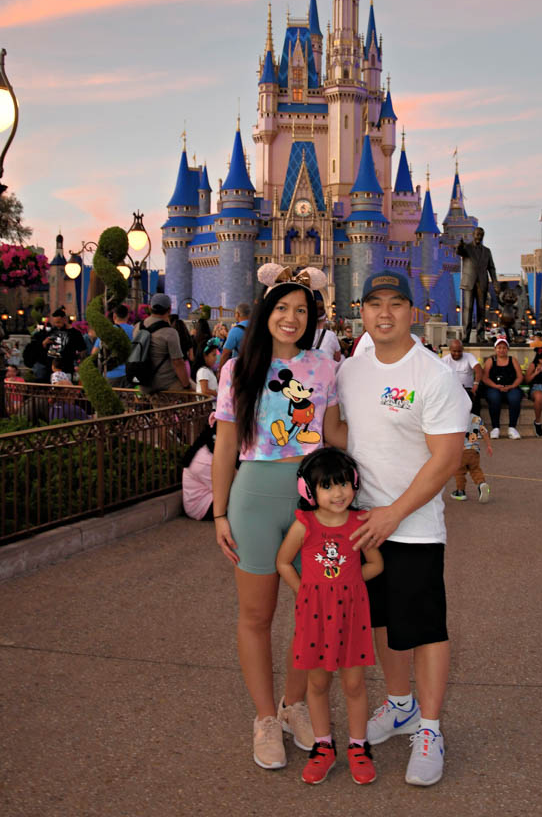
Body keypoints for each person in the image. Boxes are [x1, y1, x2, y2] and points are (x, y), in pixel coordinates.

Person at [335, 269, 471, 787]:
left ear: (413, 311)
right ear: (361, 311)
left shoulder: (432, 375)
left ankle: (431, 728)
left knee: (426, 628)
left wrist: (393, 512)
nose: (384, 313)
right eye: (374, 304)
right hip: (362, 524)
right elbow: (346, 431)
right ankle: (400, 706)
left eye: (395, 303)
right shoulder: (352, 370)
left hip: (412, 526)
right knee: (384, 622)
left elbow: (448, 459)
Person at [211, 264, 342, 770]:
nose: (291, 317)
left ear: (312, 318)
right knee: (257, 614)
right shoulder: (237, 370)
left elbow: (334, 433)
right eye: (283, 307)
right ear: (267, 311)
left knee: (315, 610)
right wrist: (220, 513)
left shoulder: (324, 368)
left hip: (311, 498)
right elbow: (225, 448)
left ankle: (294, 707)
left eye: (302, 310)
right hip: (255, 497)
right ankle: (265, 717)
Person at [276, 448, 383, 785]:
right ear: (310, 492)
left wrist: (348, 581)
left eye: (343, 484)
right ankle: (323, 747)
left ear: (353, 485)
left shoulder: (359, 523)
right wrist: (304, 589)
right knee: (318, 683)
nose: (338, 493)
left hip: (351, 615)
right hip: (315, 616)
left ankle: (357, 746)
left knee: (353, 683)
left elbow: (376, 564)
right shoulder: (303, 524)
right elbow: (283, 562)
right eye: (327, 486)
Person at [133, 294, 191, 395]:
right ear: (169, 310)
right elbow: (178, 362)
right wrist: (186, 385)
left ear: (150, 308)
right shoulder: (170, 333)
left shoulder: (138, 327)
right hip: (165, 383)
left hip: (143, 383)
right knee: (195, 392)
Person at [457, 227, 499, 343]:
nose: (479, 237)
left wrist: (495, 282)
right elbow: (459, 252)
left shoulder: (487, 251)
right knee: (468, 309)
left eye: (481, 235)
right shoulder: (467, 248)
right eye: (477, 234)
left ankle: (480, 336)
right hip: (469, 282)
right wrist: (460, 245)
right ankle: (466, 335)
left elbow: (491, 267)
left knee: (481, 310)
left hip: (482, 282)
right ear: (473, 235)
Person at [481, 337, 524, 439]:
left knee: (515, 398)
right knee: (494, 398)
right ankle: (495, 428)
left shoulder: (512, 360)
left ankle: (512, 428)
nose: (501, 350)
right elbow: (485, 377)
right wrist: (496, 386)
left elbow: (520, 376)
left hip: (511, 387)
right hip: (494, 387)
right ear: (495, 349)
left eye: (504, 348)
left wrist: (512, 386)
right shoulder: (490, 361)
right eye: (499, 347)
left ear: (507, 349)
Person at [450, 412, 492, 501]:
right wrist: (488, 445)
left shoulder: (455, 418)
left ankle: (460, 491)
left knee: (459, 471)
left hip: (460, 452)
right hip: (474, 451)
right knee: (475, 469)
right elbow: (484, 432)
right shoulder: (477, 418)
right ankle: (481, 484)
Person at [38, 308, 86, 383]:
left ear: (64, 319)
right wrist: (44, 343)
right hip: (51, 368)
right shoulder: (53, 331)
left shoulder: (75, 333)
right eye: (55, 323)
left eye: (58, 322)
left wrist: (78, 363)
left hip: (66, 368)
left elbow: (82, 350)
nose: (57, 325)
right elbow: (43, 347)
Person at [92, 304, 133, 389]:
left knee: (111, 400)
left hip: (110, 374)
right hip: (130, 374)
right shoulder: (135, 330)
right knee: (128, 400)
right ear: (128, 315)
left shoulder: (106, 332)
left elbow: (94, 353)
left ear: (114, 315)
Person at [441, 338, 482, 409]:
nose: (457, 353)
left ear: (462, 349)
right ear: (450, 349)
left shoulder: (469, 356)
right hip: (452, 389)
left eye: (459, 351)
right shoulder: (445, 360)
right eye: (454, 351)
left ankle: (474, 419)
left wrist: (475, 385)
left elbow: (478, 369)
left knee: (474, 400)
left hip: (468, 389)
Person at [218, 303, 252, 374]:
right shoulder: (258, 327)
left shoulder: (235, 330)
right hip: (256, 367)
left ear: (237, 314)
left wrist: (220, 371)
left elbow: (225, 353)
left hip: (240, 369)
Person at [312, 297, 342, 363]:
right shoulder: (331, 335)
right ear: (325, 318)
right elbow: (338, 358)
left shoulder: (304, 334)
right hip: (326, 370)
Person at [194, 338, 221, 406]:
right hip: (208, 406)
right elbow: (204, 390)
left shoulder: (208, 370)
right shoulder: (203, 371)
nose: (215, 358)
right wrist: (217, 394)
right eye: (213, 355)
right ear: (205, 356)